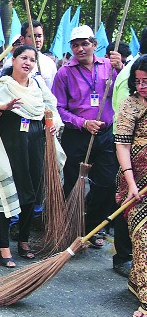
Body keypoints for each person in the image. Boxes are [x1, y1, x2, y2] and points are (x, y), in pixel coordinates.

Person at [0, 45, 62, 267]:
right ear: (13, 59)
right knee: (6, 195)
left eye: (32, 59)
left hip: (35, 147)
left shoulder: (38, 86)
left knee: (31, 196)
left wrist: (53, 125)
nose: (27, 62)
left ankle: (23, 239)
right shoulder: (2, 87)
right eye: (23, 58)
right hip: (9, 149)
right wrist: (3, 108)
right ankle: (3, 247)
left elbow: (51, 110)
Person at [52, 25, 129, 261]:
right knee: (73, 183)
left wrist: (121, 68)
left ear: (94, 44)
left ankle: (94, 227)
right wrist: (82, 123)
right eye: (75, 44)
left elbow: (127, 89)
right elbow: (59, 108)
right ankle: (67, 229)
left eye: (85, 43)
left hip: (106, 134)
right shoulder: (64, 73)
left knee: (106, 184)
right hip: (78, 135)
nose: (80, 48)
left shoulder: (109, 65)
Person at [113, 55, 147, 317]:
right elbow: (122, 145)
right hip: (135, 182)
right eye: (138, 82)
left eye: (146, 81)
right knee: (143, 237)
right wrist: (132, 182)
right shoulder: (130, 105)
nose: (142, 86)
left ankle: (139, 283)